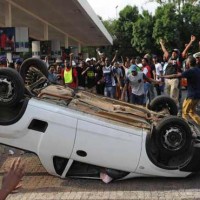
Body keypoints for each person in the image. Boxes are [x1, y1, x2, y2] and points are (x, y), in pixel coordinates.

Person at [160, 56, 200, 125]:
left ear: (189, 63)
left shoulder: (190, 71)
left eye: (187, 61)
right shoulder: (198, 70)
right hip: (197, 96)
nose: (186, 62)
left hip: (191, 96)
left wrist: (163, 77)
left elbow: (175, 75)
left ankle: (185, 127)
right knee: (191, 111)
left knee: (184, 112)